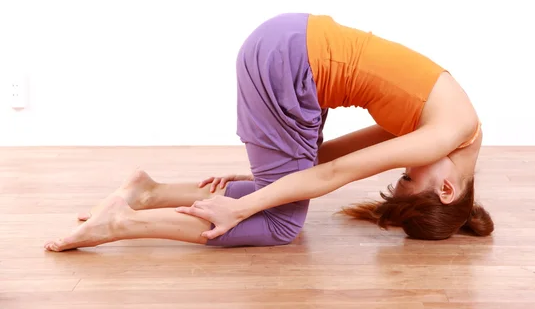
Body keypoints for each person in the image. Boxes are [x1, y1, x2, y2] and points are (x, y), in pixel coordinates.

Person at [44, 13, 493, 252]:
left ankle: (148, 193)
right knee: (280, 225)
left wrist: (264, 168)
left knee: (281, 193)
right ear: (448, 188)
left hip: (290, 42)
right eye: (411, 179)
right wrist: (241, 209)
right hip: (290, 64)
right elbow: (335, 173)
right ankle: (121, 222)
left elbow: (322, 161)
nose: (405, 168)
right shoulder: (444, 134)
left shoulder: (452, 126)